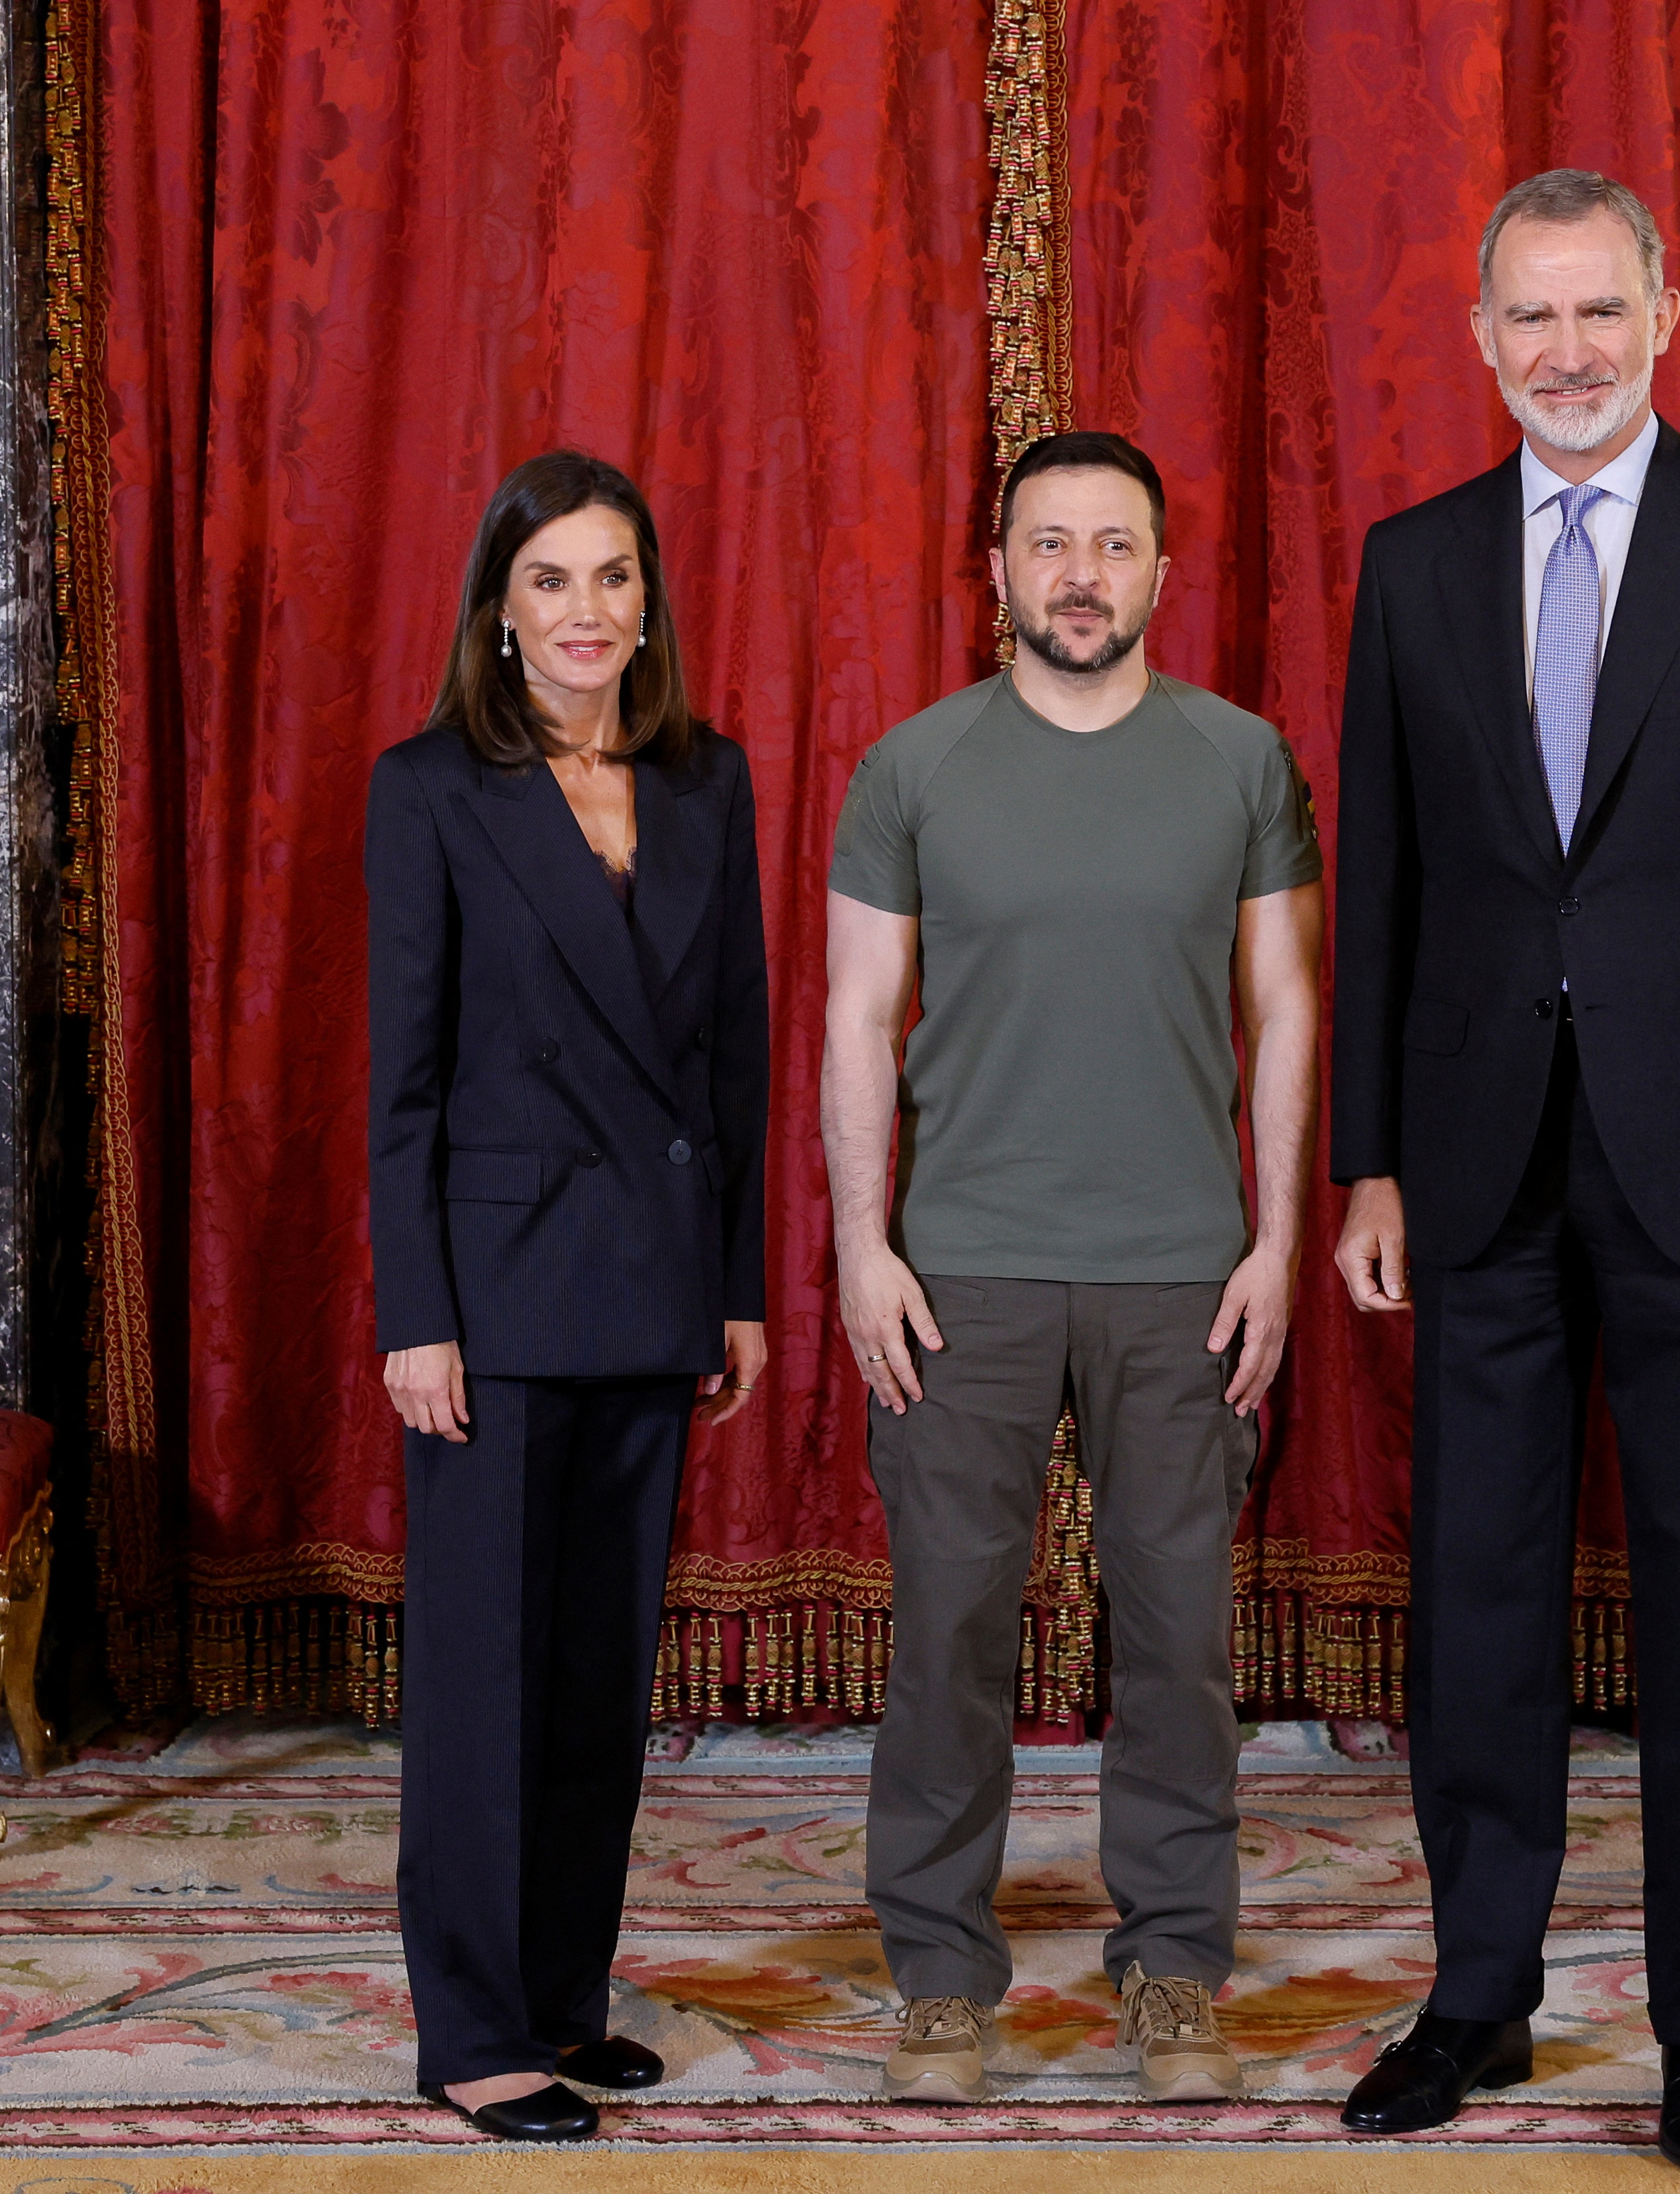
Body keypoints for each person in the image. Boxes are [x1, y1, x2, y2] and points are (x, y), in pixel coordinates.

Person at [1326, 171, 1680, 2173]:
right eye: (1530, 316)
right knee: (1475, 1599)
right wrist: (1368, 1164)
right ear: (1481, 338)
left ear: (1661, 315)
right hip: (1474, 1160)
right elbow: (1382, 888)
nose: (1565, 350)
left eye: (1598, 310)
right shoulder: (1412, 563)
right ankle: (1477, 1994)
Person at [822, 429, 1322, 2106]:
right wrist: (861, 1247)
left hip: (1182, 1276)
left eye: (1113, 545)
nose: (1081, 575)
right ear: (998, 569)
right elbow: (854, 1016)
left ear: (1161, 573)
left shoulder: (1240, 762)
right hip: (959, 1275)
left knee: (1176, 1638)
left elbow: (1285, 1007)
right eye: (1049, 542)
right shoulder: (912, 767)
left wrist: (1273, 1242)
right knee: (947, 1633)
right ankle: (938, 1976)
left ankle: (1173, 1963)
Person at [365, 450, 771, 2142]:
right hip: (499, 1289)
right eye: (551, 580)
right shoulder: (429, 787)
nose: (585, 611)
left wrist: (736, 1285)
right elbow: (403, 1077)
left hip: (655, 1273)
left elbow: (733, 1054)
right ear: (500, 608)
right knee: (486, 1677)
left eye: (613, 577)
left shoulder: (704, 778)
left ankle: (558, 2001)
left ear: (648, 604)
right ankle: (472, 2030)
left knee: (601, 1676)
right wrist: (415, 1311)